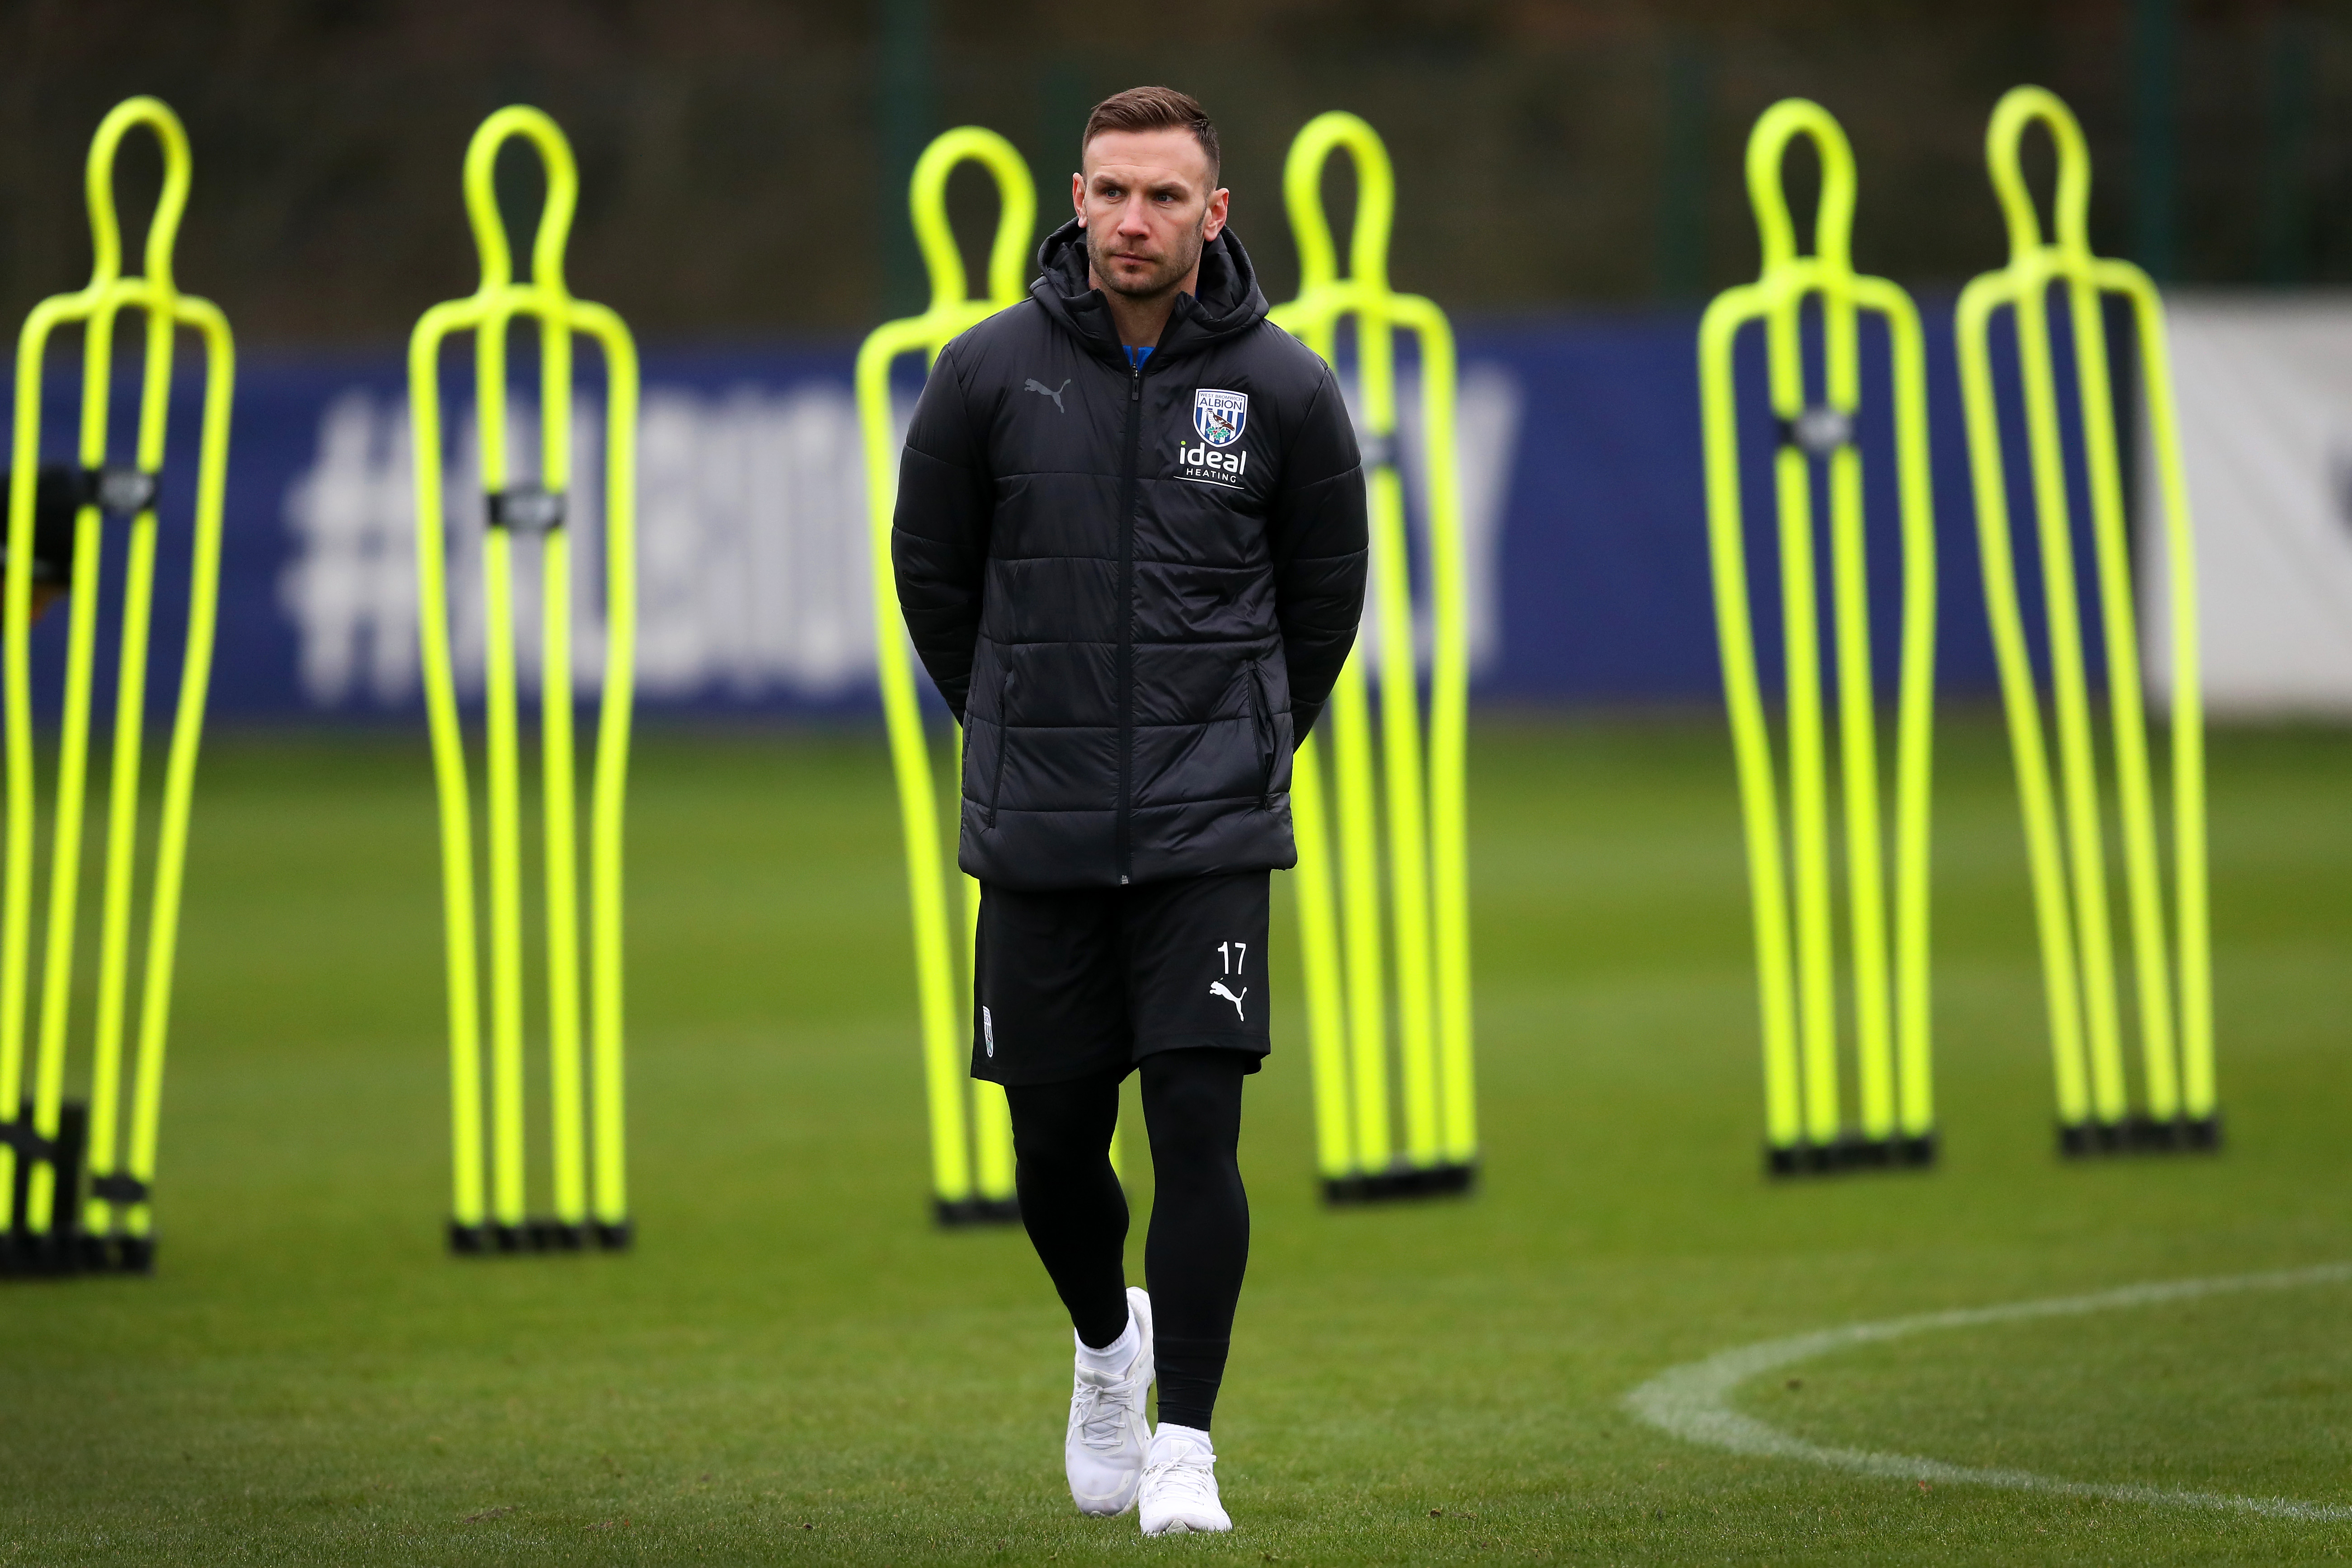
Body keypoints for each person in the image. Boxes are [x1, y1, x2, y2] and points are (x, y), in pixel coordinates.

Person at [892, 85, 1368, 1536]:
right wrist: (1020, 726)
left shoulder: (1282, 388)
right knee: (1047, 1154)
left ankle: (1188, 1448)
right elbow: (933, 577)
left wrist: (1237, 739)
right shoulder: (986, 376)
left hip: (1208, 832)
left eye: (1165, 196)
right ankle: (1109, 1344)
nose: (1133, 221)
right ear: (1077, 199)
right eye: (1110, 191)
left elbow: (1323, 598)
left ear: (1215, 214)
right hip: (1037, 828)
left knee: (1196, 1130)